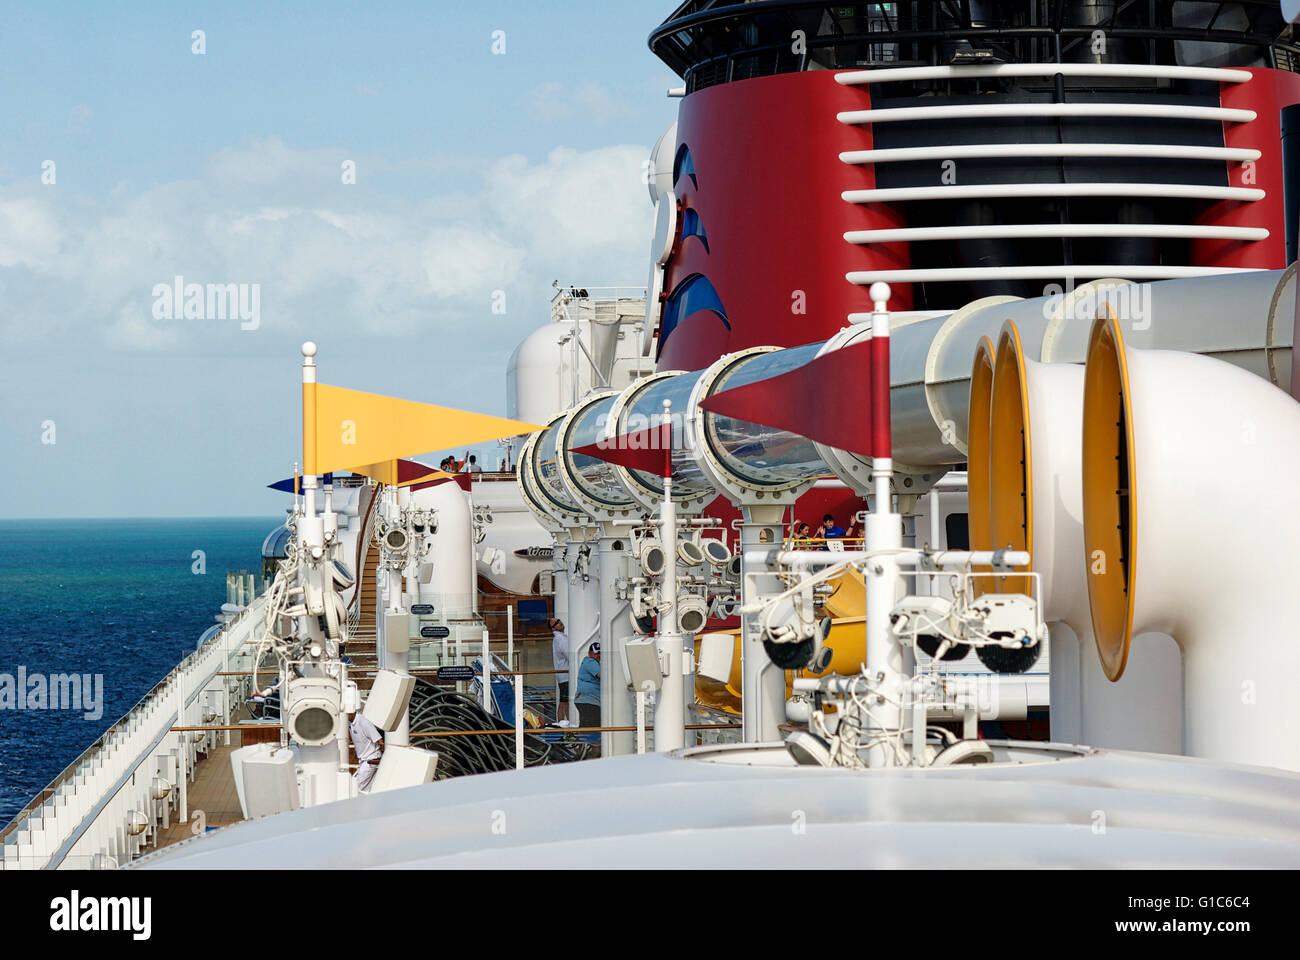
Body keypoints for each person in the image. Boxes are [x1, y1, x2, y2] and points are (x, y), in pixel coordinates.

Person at [347, 708, 384, 792]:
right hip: (363, 760)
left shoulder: (363, 722)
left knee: (356, 788)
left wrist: (383, 757)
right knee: (367, 790)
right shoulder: (350, 722)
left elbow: (380, 740)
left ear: (352, 712)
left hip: (370, 760)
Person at [575, 642, 601, 750]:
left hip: (584, 700)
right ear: (590, 653)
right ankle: (594, 750)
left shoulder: (589, 662)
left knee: (586, 726)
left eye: (599, 653)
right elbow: (603, 674)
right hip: (589, 700)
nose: (598, 656)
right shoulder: (590, 662)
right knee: (594, 726)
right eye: (595, 653)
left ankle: (581, 749)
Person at [549, 617, 570, 721]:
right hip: (565, 675)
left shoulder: (558, 638)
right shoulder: (561, 639)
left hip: (562, 675)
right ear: (553, 628)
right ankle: (563, 724)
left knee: (564, 701)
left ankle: (563, 724)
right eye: (556, 623)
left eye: (559, 620)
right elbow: (569, 656)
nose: (560, 623)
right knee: (564, 702)